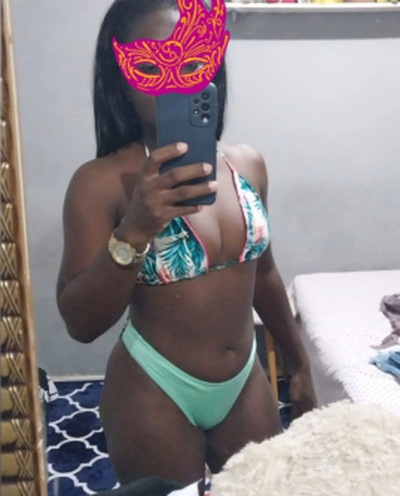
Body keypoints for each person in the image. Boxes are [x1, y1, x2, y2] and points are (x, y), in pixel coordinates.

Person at [57, 0, 316, 487]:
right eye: (151, 65)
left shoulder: (248, 163)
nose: (173, 79)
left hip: (245, 382)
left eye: (191, 58)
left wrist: (299, 364)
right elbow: (80, 323)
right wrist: (135, 229)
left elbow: (264, 275)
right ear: (120, 73)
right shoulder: (101, 182)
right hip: (154, 386)